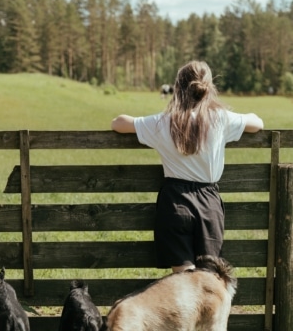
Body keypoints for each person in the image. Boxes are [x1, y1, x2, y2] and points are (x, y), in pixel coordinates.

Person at [111, 60, 264, 273]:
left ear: (178, 88)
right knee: (208, 277)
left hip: (174, 201)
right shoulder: (220, 118)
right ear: (208, 89)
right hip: (208, 201)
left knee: (184, 281)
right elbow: (257, 123)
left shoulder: (163, 122)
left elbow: (118, 123)